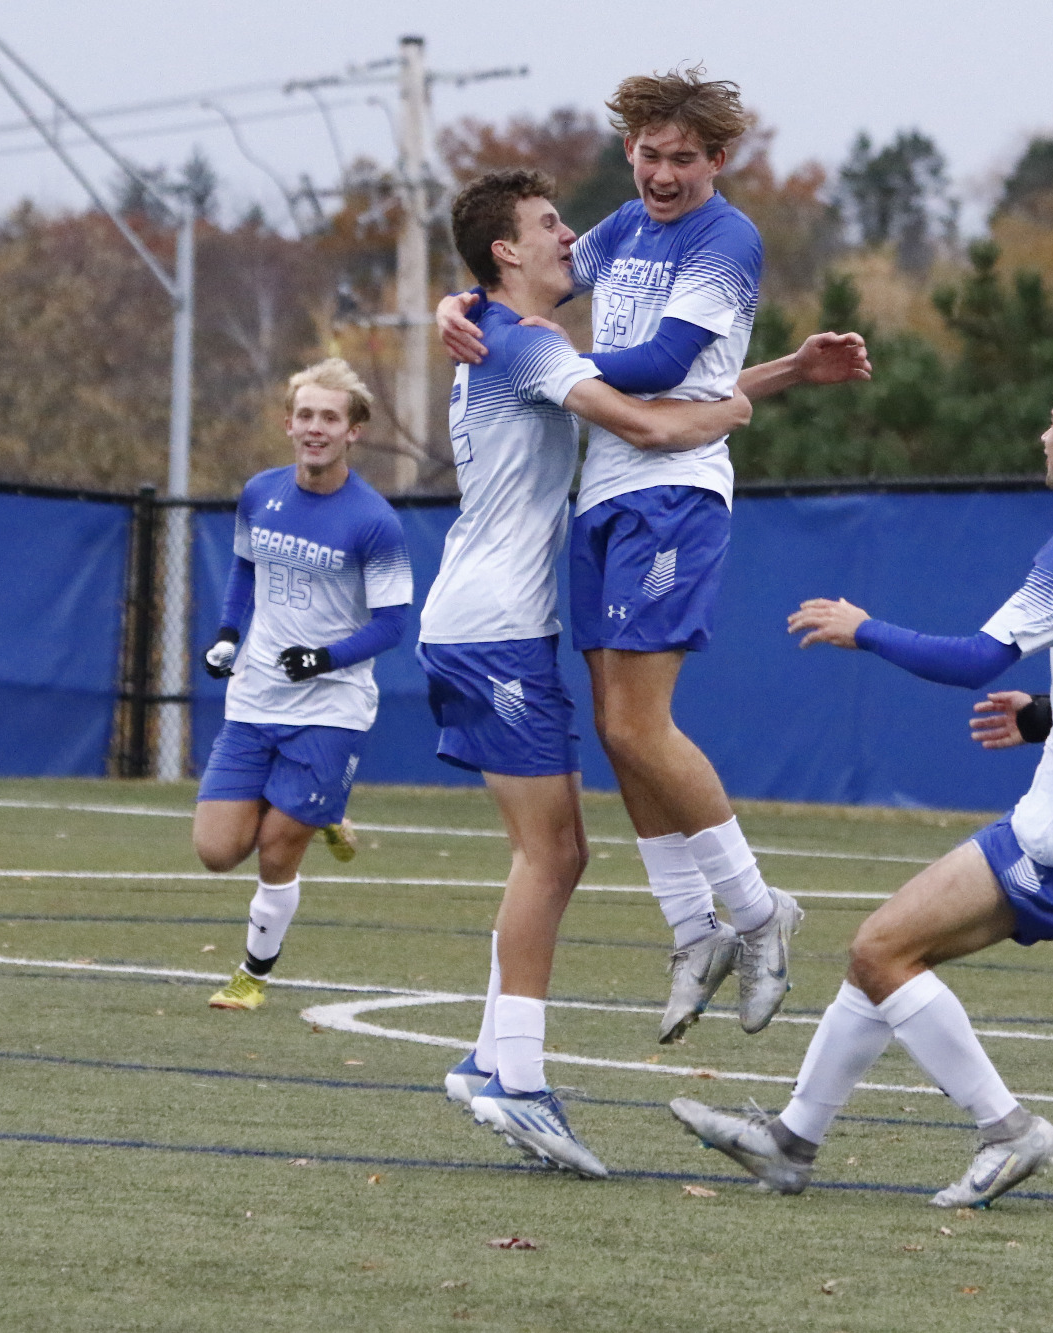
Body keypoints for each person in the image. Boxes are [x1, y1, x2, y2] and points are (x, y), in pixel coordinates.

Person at [671, 365, 1053, 1209]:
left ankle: (1008, 1128)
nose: (1042, 436)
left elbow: (977, 657)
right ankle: (791, 1142)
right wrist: (1043, 719)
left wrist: (862, 628)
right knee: (885, 956)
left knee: (878, 950)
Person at [437, 68, 873, 1047]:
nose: (662, 174)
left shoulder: (726, 238)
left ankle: (758, 915)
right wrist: (460, 306)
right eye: (648, 153)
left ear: (719, 160)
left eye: (683, 157)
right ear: (628, 148)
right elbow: (524, 277)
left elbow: (669, 368)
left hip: (671, 499)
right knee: (613, 726)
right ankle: (689, 928)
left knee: (639, 726)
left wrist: (542, 353)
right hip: (603, 495)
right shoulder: (624, 228)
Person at [426, 168, 753, 1178]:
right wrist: (730, 414)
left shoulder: (497, 330)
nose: (569, 233)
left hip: (487, 627)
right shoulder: (525, 343)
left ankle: (492, 1060)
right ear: (504, 255)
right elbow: (651, 423)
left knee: (554, 851)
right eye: (546, 223)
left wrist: (769, 378)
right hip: (492, 632)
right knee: (552, 857)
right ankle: (514, 1082)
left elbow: (658, 390)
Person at [192, 359, 413, 1012]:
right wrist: (229, 635)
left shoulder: (375, 521)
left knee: (272, 852)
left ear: (354, 432)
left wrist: (324, 659)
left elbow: (392, 625)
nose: (316, 428)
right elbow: (242, 569)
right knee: (215, 850)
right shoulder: (261, 493)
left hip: (331, 708)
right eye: (306, 415)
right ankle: (322, 807)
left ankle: (252, 975)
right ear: (289, 423)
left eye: (331, 417)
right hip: (255, 698)